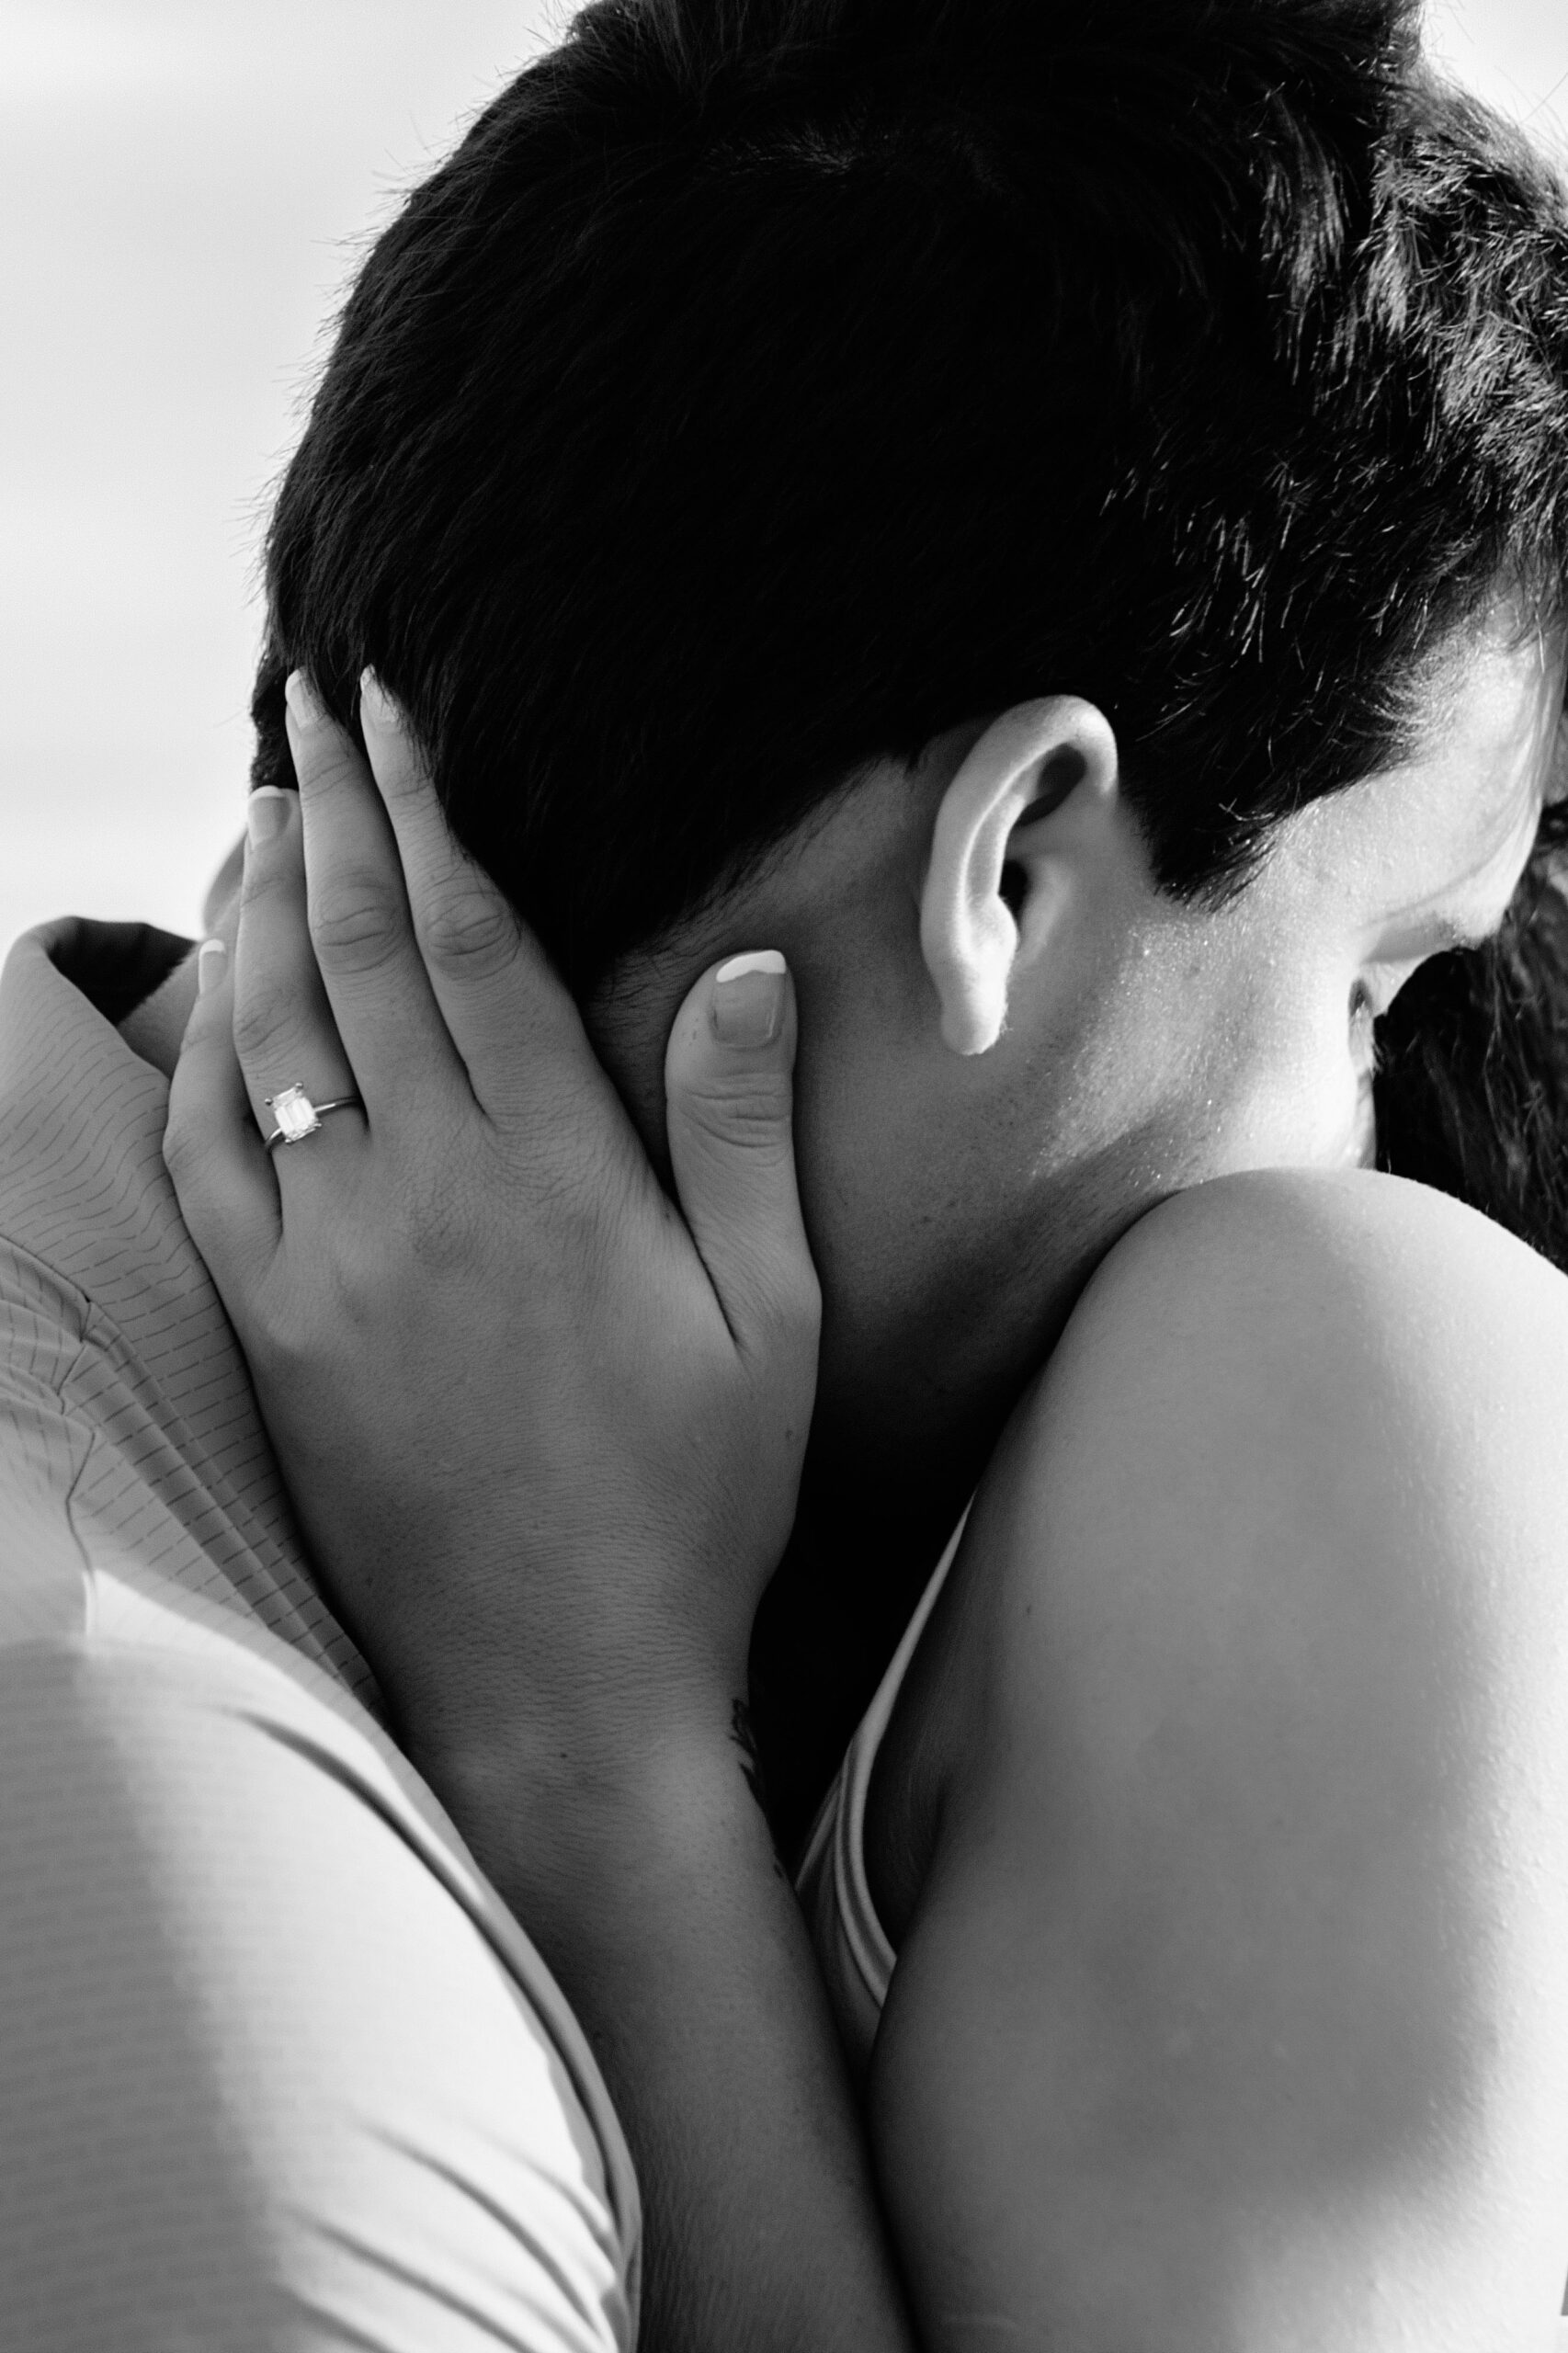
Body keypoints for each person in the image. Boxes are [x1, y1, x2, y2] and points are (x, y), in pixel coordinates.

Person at [7, 0, 1568, 2346]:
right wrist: (591, 1752)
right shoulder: (268, 2081)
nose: (1384, 1133)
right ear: (1013, 865)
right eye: (1370, 977)